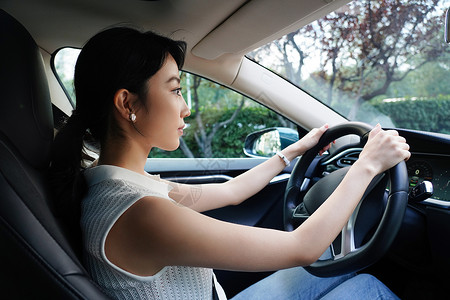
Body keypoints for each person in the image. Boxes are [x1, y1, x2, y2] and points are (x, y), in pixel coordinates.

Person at [49, 26, 410, 300]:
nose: (185, 107)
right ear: (128, 104)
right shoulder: (140, 212)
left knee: (346, 275)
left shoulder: (114, 184)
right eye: (175, 90)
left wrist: (293, 151)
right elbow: (302, 247)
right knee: (367, 287)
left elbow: (231, 191)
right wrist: (366, 166)